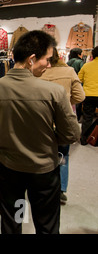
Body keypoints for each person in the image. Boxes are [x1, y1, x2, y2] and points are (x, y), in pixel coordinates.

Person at [0, 30, 80, 234]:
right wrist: (50, 140)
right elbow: (71, 134)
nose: (49, 65)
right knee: (46, 225)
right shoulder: (53, 92)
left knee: (14, 220)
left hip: (10, 171)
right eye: (47, 60)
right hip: (43, 172)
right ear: (31, 59)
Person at [40, 47, 85, 204]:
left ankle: (43, 188)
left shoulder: (37, 72)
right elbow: (80, 96)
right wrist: (65, 104)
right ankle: (61, 190)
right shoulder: (70, 71)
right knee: (63, 155)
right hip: (63, 121)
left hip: (42, 120)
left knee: (42, 154)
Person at [78, 46, 98, 145]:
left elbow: (79, 80)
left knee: (87, 117)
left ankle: (84, 139)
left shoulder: (87, 66)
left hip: (89, 95)